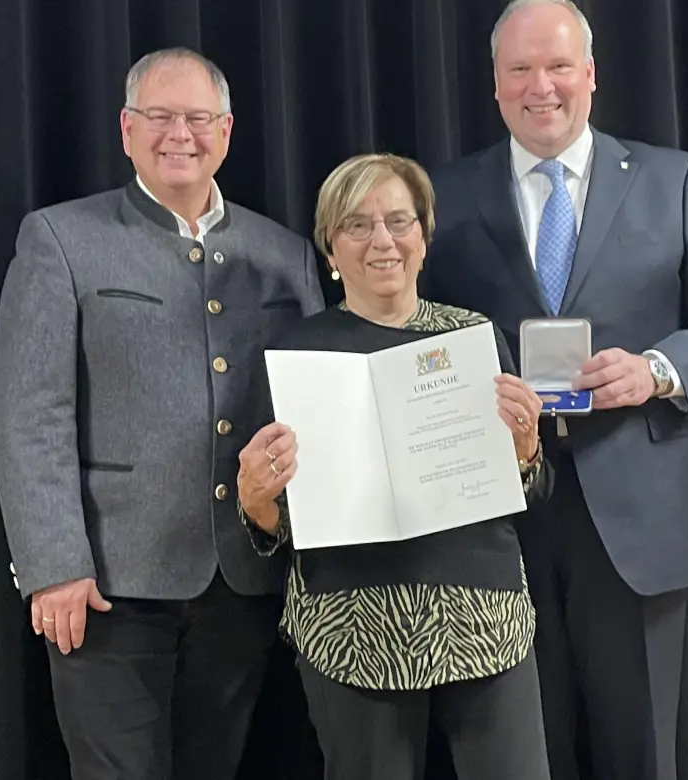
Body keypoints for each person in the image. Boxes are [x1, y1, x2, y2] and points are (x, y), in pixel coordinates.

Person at [421, 0, 688, 780]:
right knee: (514, 755)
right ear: (494, 83)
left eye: (556, 67)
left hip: (635, 517)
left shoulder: (669, 179)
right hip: (495, 517)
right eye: (520, 69)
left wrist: (653, 372)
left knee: (639, 752)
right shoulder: (442, 197)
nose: (540, 86)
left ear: (591, 74)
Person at [0, 47, 324, 780]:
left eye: (198, 118)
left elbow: (311, 409)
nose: (181, 134)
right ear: (127, 129)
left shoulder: (285, 255)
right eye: (160, 117)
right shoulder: (61, 240)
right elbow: (28, 413)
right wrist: (53, 566)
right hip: (106, 584)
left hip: (242, 580)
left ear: (227, 131)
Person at [233, 153, 555, 780]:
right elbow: (272, 527)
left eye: (399, 221)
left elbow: (532, 493)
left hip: (483, 615)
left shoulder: (473, 337)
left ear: (424, 238)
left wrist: (527, 454)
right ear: (331, 247)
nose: (383, 239)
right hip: (351, 622)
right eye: (358, 224)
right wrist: (256, 500)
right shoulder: (295, 355)